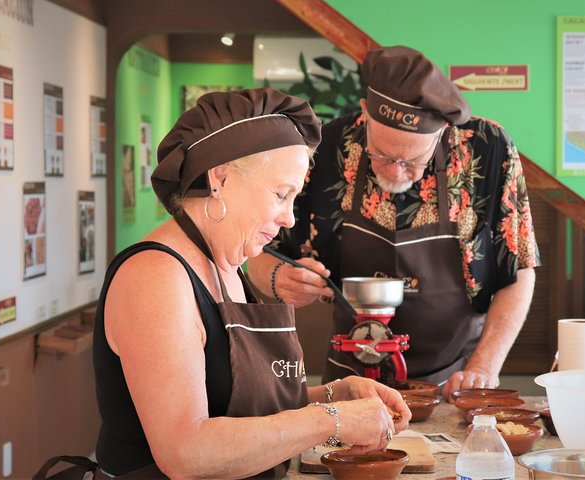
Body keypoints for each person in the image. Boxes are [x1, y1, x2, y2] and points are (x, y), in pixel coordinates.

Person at [92, 88, 410, 478]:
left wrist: (336, 393)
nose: (290, 219)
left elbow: (240, 409)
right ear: (220, 179)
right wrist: (333, 420)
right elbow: (185, 451)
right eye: (281, 194)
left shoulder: (226, 268)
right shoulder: (155, 276)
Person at [246, 47, 540, 402]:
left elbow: (519, 268)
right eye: (382, 155)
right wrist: (279, 278)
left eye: (413, 160)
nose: (396, 170)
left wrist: (483, 368)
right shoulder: (327, 147)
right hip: (349, 378)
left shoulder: (486, 148)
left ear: (443, 131)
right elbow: (255, 253)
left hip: (455, 379)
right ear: (366, 112)